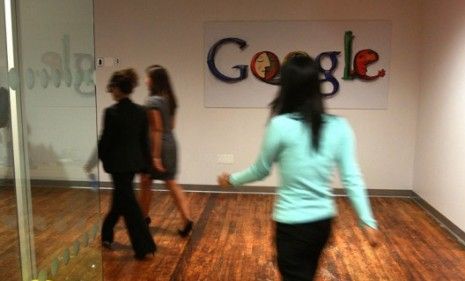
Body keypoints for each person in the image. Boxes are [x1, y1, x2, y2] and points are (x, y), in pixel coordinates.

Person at [217, 53, 380, 281]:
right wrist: (367, 222)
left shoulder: (280, 126)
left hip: (291, 225)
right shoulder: (340, 127)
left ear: (286, 87)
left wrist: (231, 179)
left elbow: (261, 169)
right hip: (321, 225)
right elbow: (352, 178)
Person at [98, 68, 156, 260]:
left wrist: (102, 160)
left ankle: (144, 246)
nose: (111, 92)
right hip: (133, 165)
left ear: (118, 88)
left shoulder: (111, 113)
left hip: (117, 166)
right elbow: (144, 142)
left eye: (112, 88)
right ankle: (107, 235)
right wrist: (147, 167)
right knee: (122, 200)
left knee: (128, 204)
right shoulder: (140, 112)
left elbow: (105, 141)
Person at [139, 65, 193, 237]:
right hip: (171, 143)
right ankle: (186, 218)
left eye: (148, 77)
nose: (146, 80)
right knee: (171, 182)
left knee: (145, 181)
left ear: (154, 80)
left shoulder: (152, 102)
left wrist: (155, 156)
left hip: (156, 145)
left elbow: (156, 129)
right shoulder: (170, 99)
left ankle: (143, 218)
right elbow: (171, 126)